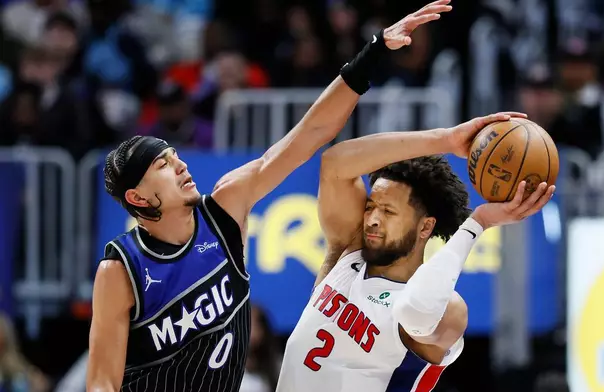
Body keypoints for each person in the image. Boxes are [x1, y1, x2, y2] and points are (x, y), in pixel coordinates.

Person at [85, 2, 454, 391]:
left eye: (174, 155)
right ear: (138, 198)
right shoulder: (120, 269)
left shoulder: (225, 208)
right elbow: (101, 384)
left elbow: (310, 134)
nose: (180, 165)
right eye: (161, 165)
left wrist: (374, 50)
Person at [276, 113, 556, 392]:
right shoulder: (347, 250)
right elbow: (334, 162)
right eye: (371, 206)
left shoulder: (448, 309)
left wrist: (478, 223)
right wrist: (444, 139)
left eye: (388, 211)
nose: (372, 218)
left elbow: (416, 312)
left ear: (425, 228)